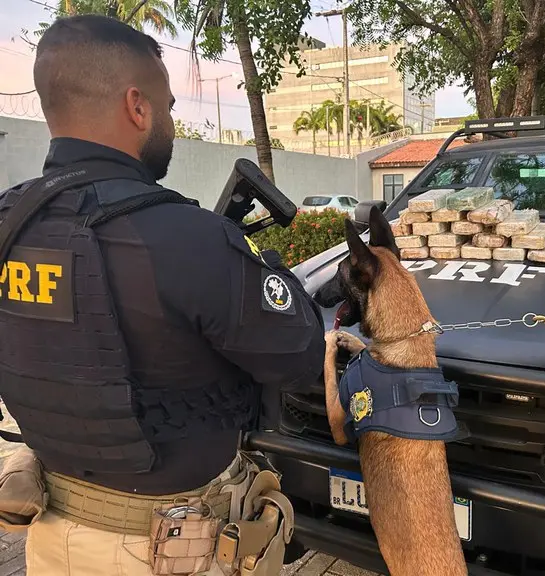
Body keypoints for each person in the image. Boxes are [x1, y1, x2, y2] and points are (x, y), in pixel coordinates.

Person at [0, 14, 324, 575]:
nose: (171, 121)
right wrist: (265, 271)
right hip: (169, 554)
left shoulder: (8, 223)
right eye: (169, 106)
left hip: (52, 541)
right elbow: (297, 355)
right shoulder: (188, 238)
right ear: (137, 107)